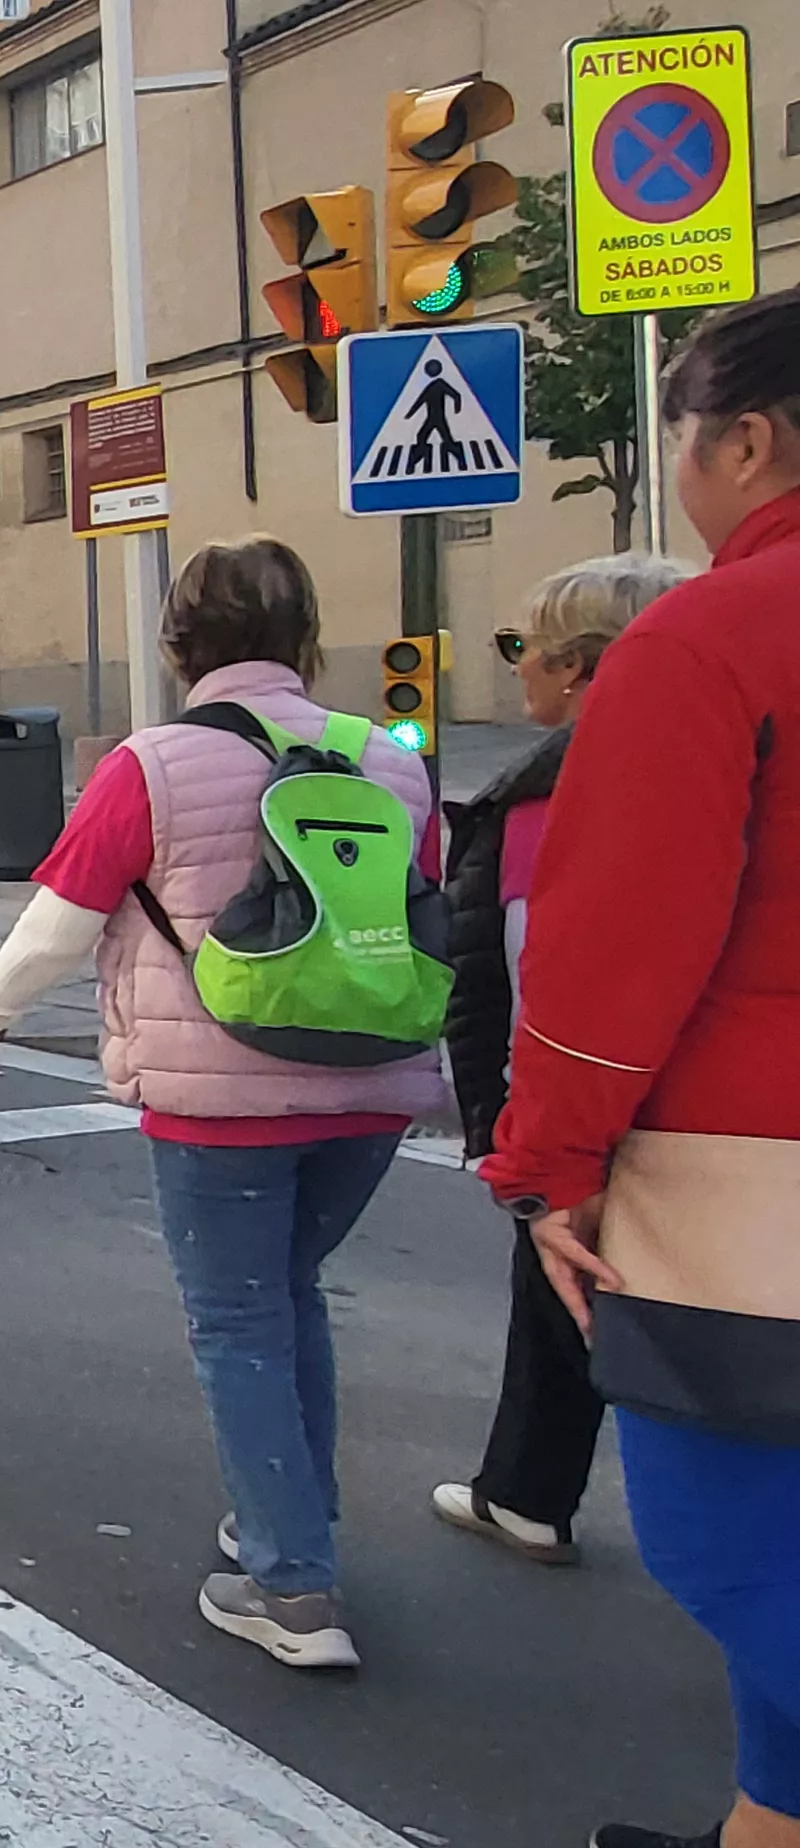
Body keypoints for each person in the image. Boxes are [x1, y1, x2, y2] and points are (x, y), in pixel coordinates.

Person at [0, 536, 440, 1673]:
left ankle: (291, 1585)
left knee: (237, 1318)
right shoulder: (391, 759)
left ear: (178, 646)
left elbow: (63, 917)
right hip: (371, 1083)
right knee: (290, 1296)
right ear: (307, 637)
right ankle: (292, 1515)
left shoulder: (153, 763)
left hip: (221, 1096)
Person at [488, 298, 800, 1848]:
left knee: (736, 1542)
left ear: (746, 439)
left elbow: (613, 960)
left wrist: (548, 1169)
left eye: (682, 441)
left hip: (750, 1191)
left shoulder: (714, 636)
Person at [429, 554, 689, 1570]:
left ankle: (530, 1494)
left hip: (592, 1111)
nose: (515, 666)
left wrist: (530, 1144)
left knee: (567, 1295)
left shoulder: (556, 797)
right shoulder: (717, 762)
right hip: (712, 1111)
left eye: (519, 646)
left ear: (579, 666)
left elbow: (537, 978)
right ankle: (523, 1492)